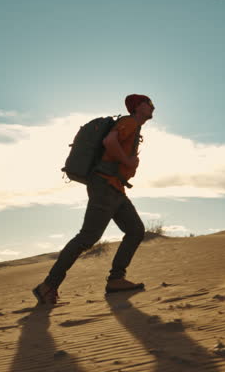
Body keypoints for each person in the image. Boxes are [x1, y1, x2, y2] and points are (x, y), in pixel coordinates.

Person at [33, 94, 156, 304]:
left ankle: (116, 279)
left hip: (116, 189)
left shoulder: (133, 126)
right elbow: (109, 142)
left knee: (135, 230)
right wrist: (128, 160)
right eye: (148, 102)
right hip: (105, 186)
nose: (152, 106)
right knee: (87, 237)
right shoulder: (128, 122)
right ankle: (48, 285)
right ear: (138, 107)